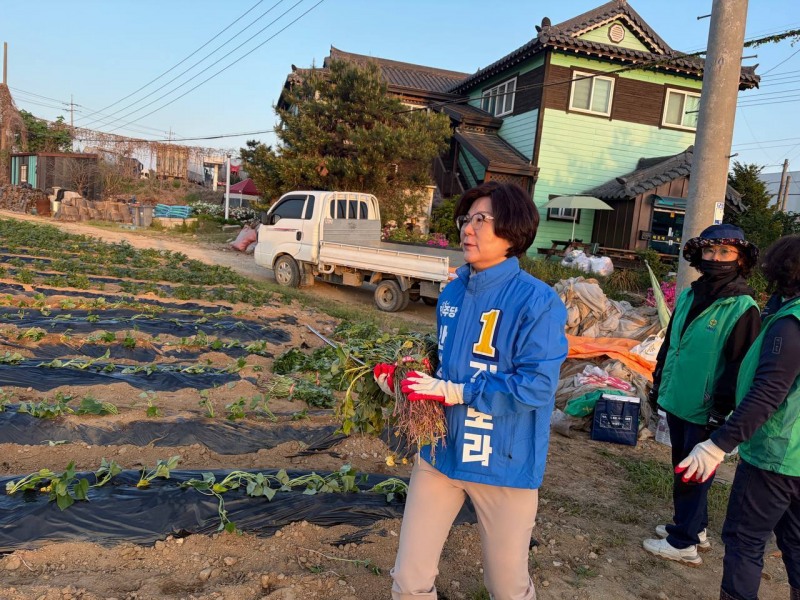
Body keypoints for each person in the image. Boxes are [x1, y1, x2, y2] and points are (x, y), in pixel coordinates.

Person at [373, 181, 568, 600]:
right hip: (441, 453)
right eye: (467, 218)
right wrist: (403, 383)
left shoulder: (539, 302)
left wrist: (458, 393)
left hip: (504, 463)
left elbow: (535, 386)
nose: (468, 228)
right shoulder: (454, 289)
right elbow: (442, 365)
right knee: (408, 579)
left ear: (513, 231)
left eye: (482, 219)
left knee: (506, 586)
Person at [677, 234, 800, 600]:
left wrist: (718, 444)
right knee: (795, 540)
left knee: (745, 540)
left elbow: (768, 392)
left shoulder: (789, 324)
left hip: (775, 455)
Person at [643, 223, 761, 566]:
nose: (716, 258)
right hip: (679, 397)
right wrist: (659, 381)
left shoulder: (742, 307)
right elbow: (671, 344)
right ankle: (695, 528)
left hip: (707, 406)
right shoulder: (692, 294)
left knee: (693, 472)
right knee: (683, 465)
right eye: (710, 251)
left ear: (740, 260)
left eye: (726, 252)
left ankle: (683, 543)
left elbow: (739, 366)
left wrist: (721, 413)